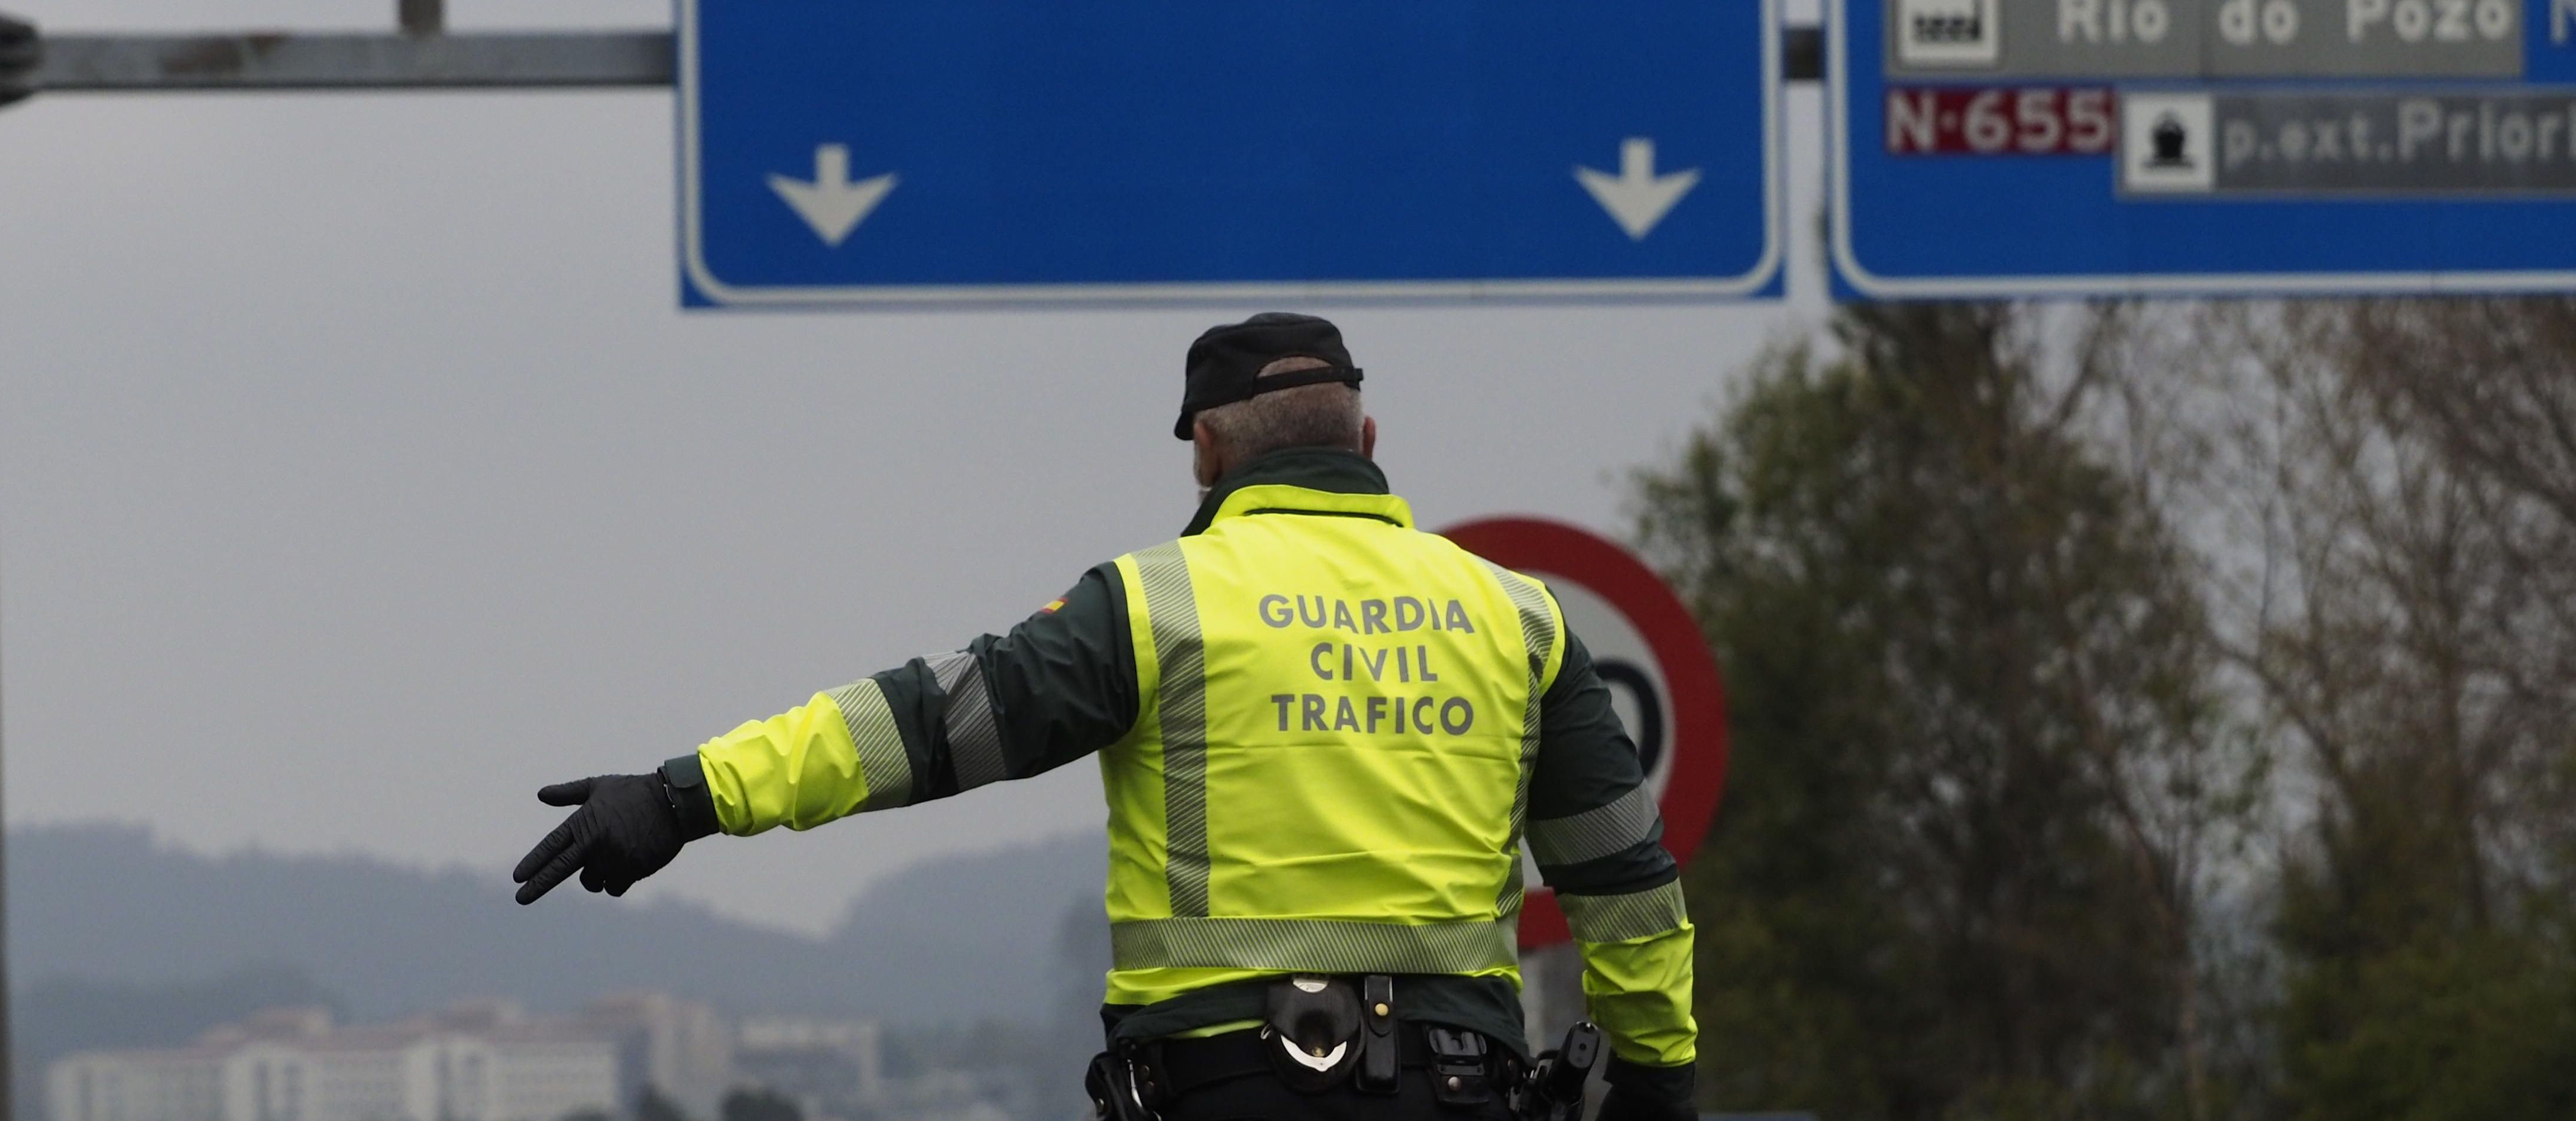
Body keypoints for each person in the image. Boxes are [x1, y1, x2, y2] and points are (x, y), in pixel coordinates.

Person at [512, 313, 1699, 1121]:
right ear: (1369, 441)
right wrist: (1653, 1083)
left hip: (1223, 1085)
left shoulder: (1154, 607)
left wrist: (684, 796)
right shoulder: (1519, 620)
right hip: (1458, 1085)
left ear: (1208, 452)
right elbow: (1625, 888)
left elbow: (920, 729)